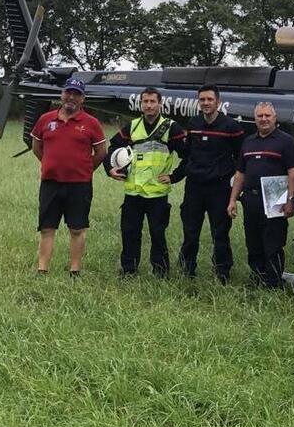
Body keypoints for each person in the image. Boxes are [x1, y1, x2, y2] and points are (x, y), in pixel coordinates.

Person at [29, 77, 107, 277]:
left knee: (77, 228)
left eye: (77, 94)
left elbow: (100, 152)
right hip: (50, 183)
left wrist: (86, 169)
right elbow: (37, 147)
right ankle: (42, 269)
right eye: (68, 92)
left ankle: (75, 270)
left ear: (83, 99)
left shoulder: (91, 123)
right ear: (62, 95)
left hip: (79, 185)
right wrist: (49, 163)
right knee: (47, 228)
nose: (71, 97)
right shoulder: (45, 119)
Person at [104, 87, 186, 277]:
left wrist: (175, 177)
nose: (149, 105)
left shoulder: (171, 127)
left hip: (157, 193)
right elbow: (113, 148)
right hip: (133, 192)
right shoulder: (132, 126)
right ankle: (128, 271)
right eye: (145, 102)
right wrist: (110, 169)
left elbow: (189, 156)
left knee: (158, 234)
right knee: (130, 233)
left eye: (152, 101)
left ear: (160, 104)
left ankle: (161, 272)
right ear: (141, 104)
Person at [175, 84, 244, 283]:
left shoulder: (231, 127)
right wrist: (173, 177)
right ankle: (187, 270)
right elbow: (187, 155)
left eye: (209, 100)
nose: (206, 103)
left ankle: (222, 272)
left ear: (218, 102)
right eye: (202, 100)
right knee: (190, 232)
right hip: (194, 187)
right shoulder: (193, 123)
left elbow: (241, 159)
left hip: (219, 188)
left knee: (220, 233)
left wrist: (236, 189)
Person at [227, 102, 294, 289]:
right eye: (260, 116)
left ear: (275, 118)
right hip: (251, 199)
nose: (264, 119)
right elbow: (240, 174)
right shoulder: (249, 142)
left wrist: (291, 201)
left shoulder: (286, 141)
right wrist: (233, 199)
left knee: (273, 244)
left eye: (268, 115)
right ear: (255, 118)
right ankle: (257, 277)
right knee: (253, 242)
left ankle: (273, 282)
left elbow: (293, 173)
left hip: (275, 199)